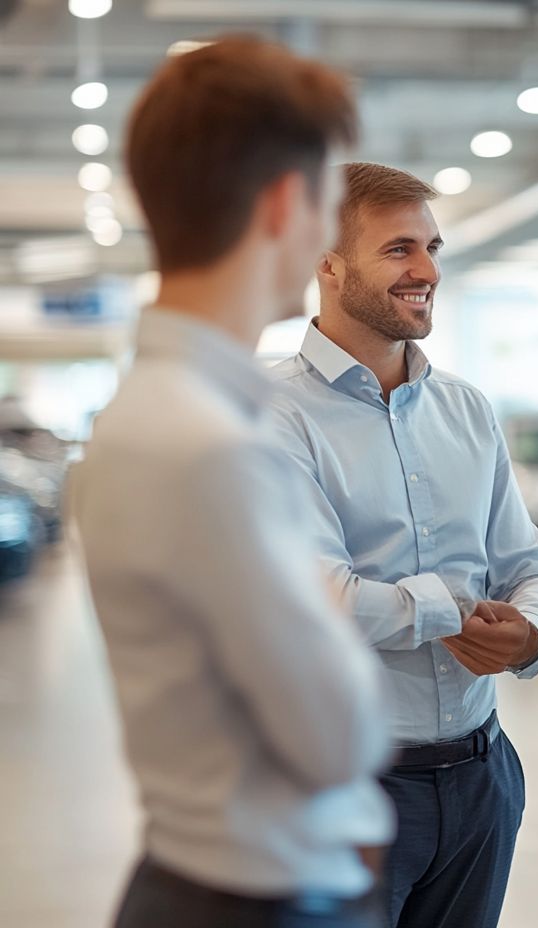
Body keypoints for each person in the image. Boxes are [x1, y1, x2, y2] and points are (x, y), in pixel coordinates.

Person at [72, 38, 393, 928]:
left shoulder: (150, 412)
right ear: (288, 203)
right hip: (260, 902)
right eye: (331, 201)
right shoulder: (211, 446)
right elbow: (339, 737)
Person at [267, 161, 538, 928]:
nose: (428, 270)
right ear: (328, 264)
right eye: (400, 249)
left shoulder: (466, 410)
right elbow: (314, 599)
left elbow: (530, 565)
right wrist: (455, 611)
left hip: (480, 777)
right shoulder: (269, 415)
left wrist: (532, 629)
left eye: (433, 246)